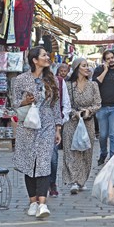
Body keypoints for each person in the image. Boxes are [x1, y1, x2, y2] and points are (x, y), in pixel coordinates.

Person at [11, 47, 62, 219]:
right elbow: (13, 103)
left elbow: (56, 104)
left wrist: (58, 128)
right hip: (27, 125)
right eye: (44, 55)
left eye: (47, 55)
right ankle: (32, 201)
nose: (47, 57)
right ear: (34, 60)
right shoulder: (20, 80)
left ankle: (42, 204)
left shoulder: (51, 79)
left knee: (43, 163)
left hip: (46, 124)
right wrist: (24, 101)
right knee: (29, 163)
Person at [62, 58, 101, 194]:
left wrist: (88, 111)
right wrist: (75, 113)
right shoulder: (68, 85)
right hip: (72, 122)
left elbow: (98, 103)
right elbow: (65, 104)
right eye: (84, 66)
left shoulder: (93, 85)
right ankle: (73, 180)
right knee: (71, 151)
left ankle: (82, 180)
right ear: (77, 68)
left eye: (88, 66)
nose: (87, 68)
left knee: (86, 152)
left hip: (88, 122)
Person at [49, 63, 71, 197]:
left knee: (53, 157)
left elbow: (65, 104)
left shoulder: (59, 82)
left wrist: (60, 123)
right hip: (36, 124)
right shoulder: (31, 79)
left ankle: (52, 182)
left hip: (53, 124)